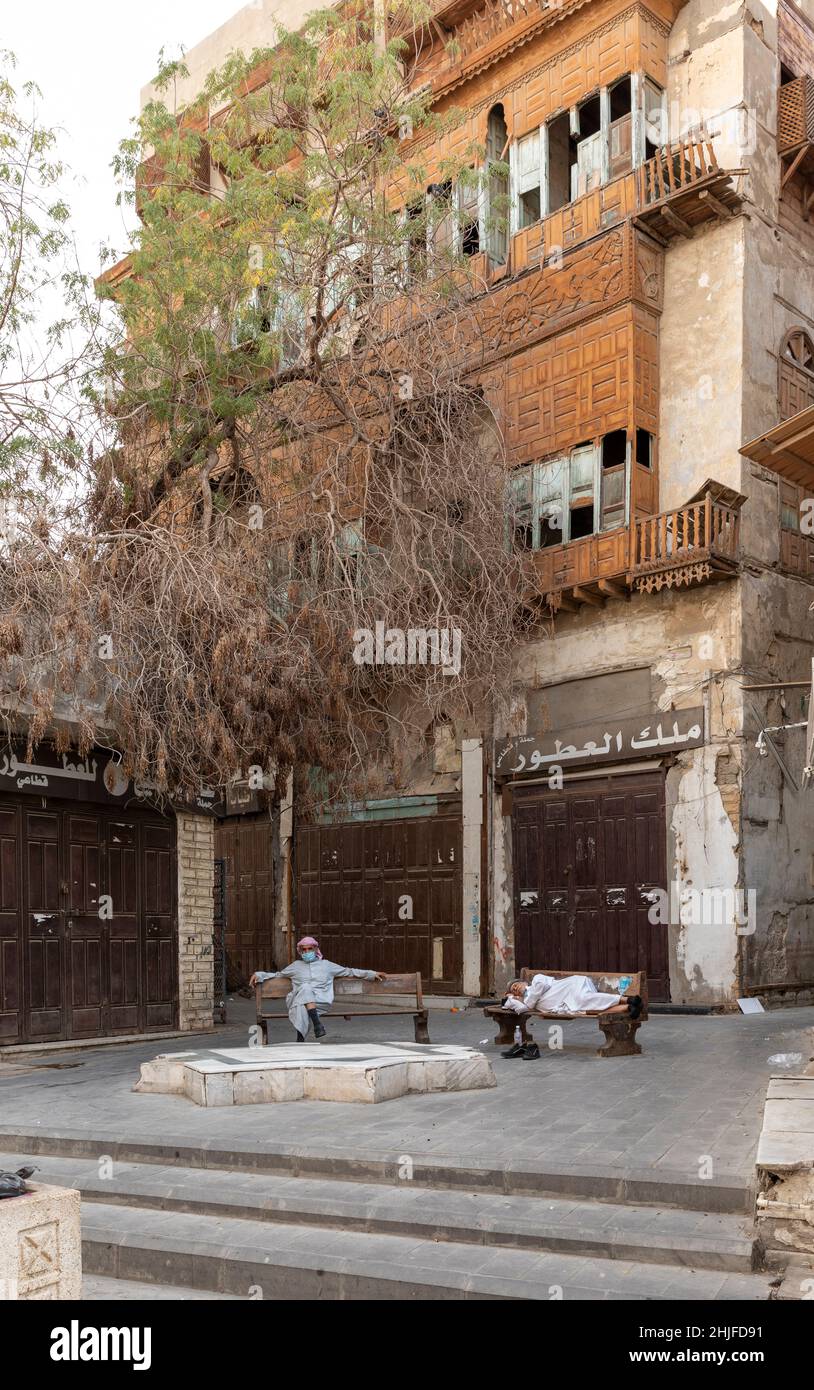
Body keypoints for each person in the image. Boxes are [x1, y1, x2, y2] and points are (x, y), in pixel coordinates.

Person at [250, 936, 387, 1041]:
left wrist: (372, 974)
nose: (307, 952)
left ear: (315, 950)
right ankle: (316, 1026)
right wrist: (259, 974)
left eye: (310, 949)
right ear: (300, 951)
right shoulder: (295, 966)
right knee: (304, 991)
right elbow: (277, 975)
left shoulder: (327, 965)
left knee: (304, 996)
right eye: (304, 949)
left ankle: (300, 1039)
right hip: (300, 1001)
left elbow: (349, 971)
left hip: (321, 1002)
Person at [502, 974, 643, 1019]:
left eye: (516, 985)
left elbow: (540, 988)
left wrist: (528, 997)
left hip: (573, 987)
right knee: (589, 1009)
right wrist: (511, 997)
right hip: (568, 1004)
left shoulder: (536, 981)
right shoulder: (526, 1002)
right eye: (514, 990)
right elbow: (521, 1008)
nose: (516, 989)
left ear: (523, 982)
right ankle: (628, 1007)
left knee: (585, 1000)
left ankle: (628, 998)